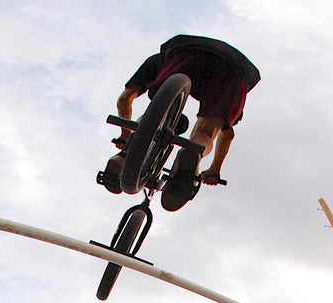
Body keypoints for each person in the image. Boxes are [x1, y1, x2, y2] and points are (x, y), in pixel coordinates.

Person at [101, 34, 260, 210]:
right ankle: (193, 153)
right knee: (205, 132)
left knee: (154, 115)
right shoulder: (160, 61)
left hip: (182, 51)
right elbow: (227, 134)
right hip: (234, 70)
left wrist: (125, 136)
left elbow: (124, 100)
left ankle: (124, 155)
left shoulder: (156, 62)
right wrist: (214, 169)